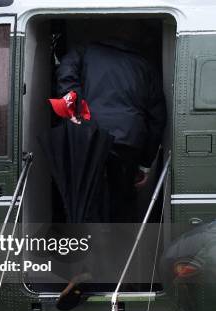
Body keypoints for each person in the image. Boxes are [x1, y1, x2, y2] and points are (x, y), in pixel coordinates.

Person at [54, 23, 166, 222]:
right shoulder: (145, 65)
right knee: (122, 201)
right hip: (128, 141)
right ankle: (121, 249)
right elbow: (157, 118)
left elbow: (65, 79)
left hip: (90, 138)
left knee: (86, 200)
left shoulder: (83, 51)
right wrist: (145, 163)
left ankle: (88, 249)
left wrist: (80, 119)